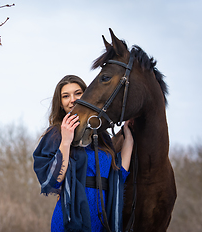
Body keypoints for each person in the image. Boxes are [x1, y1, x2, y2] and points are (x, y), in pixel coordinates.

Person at [33, 75, 134, 232]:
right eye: (66, 96)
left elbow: (118, 174)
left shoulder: (102, 136)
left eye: (78, 93)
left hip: (103, 221)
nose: (72, 99)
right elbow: (53, 181)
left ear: (87, 96)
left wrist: (129, 139)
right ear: (60, 103)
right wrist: (66, 141)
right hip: (71, 221)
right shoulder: (55, 134)